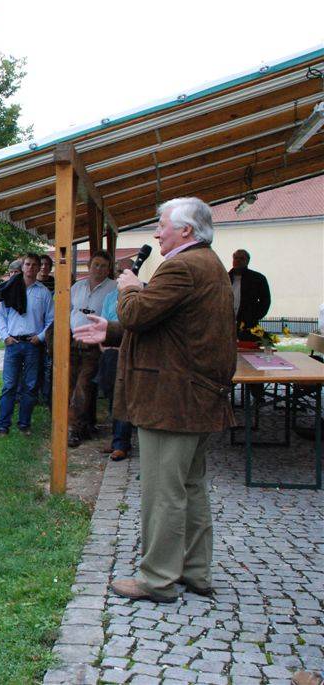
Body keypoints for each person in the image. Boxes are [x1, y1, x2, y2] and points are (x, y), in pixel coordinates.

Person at [74, 197, 235, 603]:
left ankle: (157, 578)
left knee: (164, 492)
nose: (157, 232)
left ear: (186, 230)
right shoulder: (208, 264)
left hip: (173, 400)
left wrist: (129, 288)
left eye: (162, 225)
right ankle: (195, 570)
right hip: (194, 398)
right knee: (191, 486)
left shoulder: (181, 266)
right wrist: (109, 331)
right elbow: (166, 327)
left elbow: (138, 315)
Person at [0, 253, 53, 437]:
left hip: (32, 344)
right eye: (27, 264)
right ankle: (3, 426)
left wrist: (41, 337)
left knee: (30, 386)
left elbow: (51, 320)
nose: (31, 268)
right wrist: (5, 336)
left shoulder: (43, 292)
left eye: (35, 265)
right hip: (13, 342)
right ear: (22, 267)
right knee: (9, 385)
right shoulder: (10, 289)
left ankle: (24, 424)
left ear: (39, 268)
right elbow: (0, 317)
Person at [67, 251, 116, 447]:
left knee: (84, 385)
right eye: (96, 265)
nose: (99, 269)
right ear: (88, 265)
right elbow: (67, 310)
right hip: (73, 342)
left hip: (95, 345)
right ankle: (87, 423)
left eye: (103, 266)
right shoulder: (77, 287)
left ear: (109, 268)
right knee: (72, 384)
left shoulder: (114, 288)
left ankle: (75, 429)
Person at [99, 283, 133, 462]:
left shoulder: (138, 294)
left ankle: (121, 443)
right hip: (110, 351)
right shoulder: (110, 297)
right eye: (120, 271)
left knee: (124, 396)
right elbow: (104, 322)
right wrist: (103, 345)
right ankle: (117, 440)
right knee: (112, 394)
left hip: (128, 352)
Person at [230, 249, 271, 340]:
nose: (238, 260)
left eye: (242, 258)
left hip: (248, 325)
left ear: (247, 261)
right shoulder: (225, 278)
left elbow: (265, 301)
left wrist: (254, 316)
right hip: (227, 323)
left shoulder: (258, 279)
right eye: (236, 258)